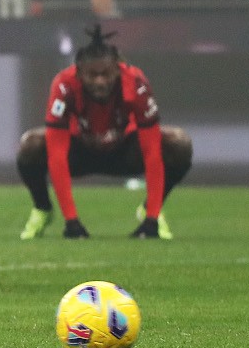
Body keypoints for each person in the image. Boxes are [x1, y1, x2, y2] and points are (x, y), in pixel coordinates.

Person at [16, 25, 192, 241]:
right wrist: (72, 221)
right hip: (80, 153)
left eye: (106, 74)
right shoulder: (63, 85)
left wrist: (151, 221)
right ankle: (42, 209)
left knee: (179, 144)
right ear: (79, 73)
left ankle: (149, 209)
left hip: (124, 152)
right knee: (30, 145)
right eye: (92, 75)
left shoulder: (136, 84)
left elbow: (152, 153)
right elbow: (57, 156)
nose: (100, 81)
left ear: (118, 70)